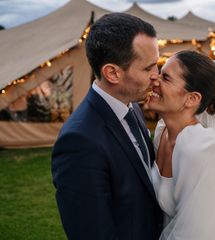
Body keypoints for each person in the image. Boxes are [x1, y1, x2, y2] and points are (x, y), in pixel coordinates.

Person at [51, 13, 163, 240]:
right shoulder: (80, 141)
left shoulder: (132, 106)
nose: (156, 77)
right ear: (112, 73)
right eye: (148, 68)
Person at [145, 51, 215, 239]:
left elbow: (194, 232)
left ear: (192, 99)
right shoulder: (162, 132)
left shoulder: (199, 148)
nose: (155, 79)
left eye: (166, 78)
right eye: (160, 72)